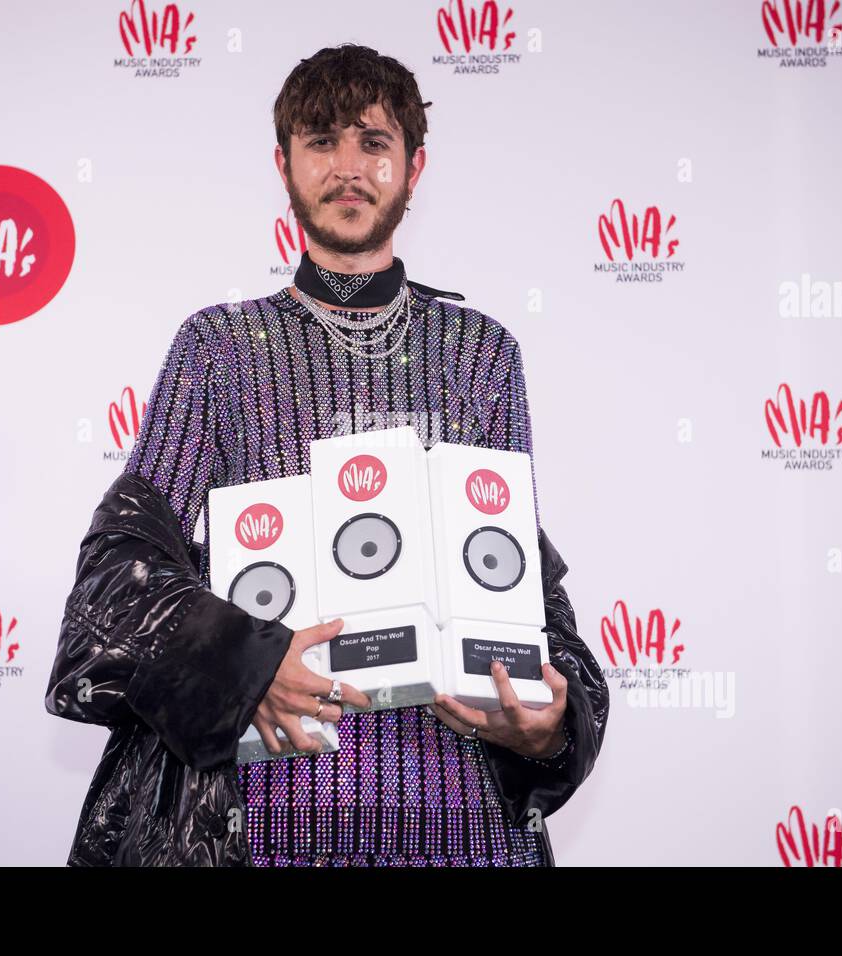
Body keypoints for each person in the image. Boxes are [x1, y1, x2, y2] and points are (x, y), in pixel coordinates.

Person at [45, 43, 608, 867]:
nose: (349, 167)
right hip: (266, 818)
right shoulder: (217, 349)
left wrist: (551, 722)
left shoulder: (483, 353)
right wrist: (246, 666)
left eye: (373, 143)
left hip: (459, 824)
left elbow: (515, 580)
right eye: (322, 142)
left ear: (414, 167)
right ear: (284, 165)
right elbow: (121, 573)